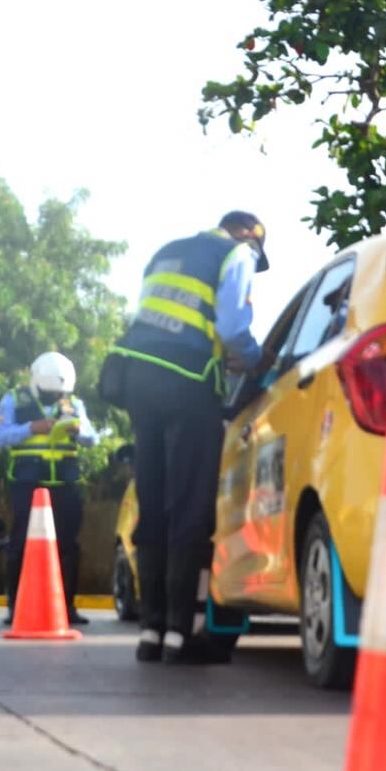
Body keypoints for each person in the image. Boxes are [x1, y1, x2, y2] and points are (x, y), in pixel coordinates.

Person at [111, 211, 271, 663]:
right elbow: (231, 327)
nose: (254, 260)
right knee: (188, 508)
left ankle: (151, 633)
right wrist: (254, 359)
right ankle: (181, 633)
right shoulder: (235, 253)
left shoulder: (168, 252)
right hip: (188, 385)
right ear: (248, 235)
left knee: (153, 501)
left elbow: (166, 322)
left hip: (139, 381)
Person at [0, 351, 98, 627]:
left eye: (59, 393)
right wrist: (32, 428)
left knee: (68, 546)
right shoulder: (14, 400)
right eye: (50, 393)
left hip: (65, 484)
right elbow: (0, 436)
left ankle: (67, 607)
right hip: (28, 485)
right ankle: (15, 607)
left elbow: (92, 437)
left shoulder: (74, 403)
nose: (56, 397)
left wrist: (78, 432)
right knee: (19, 544)